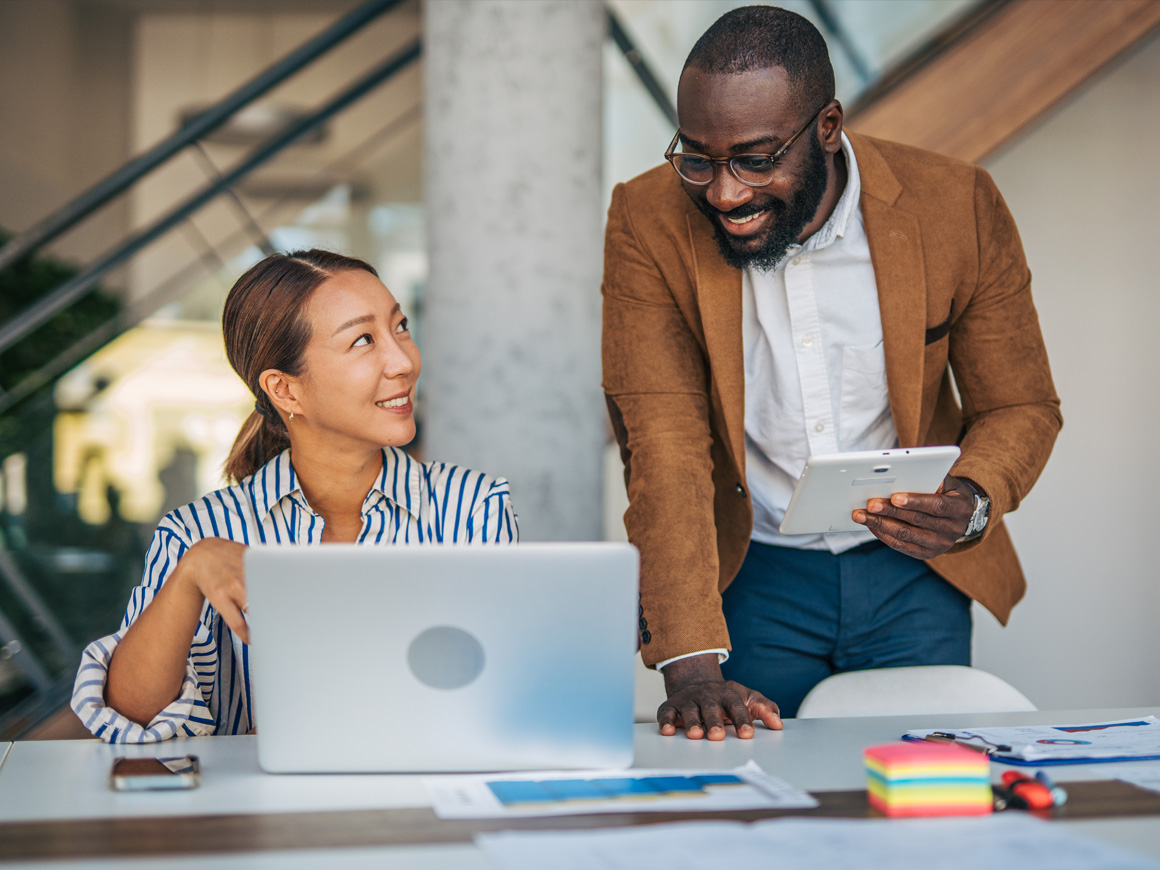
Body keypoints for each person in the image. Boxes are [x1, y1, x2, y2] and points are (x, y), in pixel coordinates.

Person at [602, 6, 1060, 735]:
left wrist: (971, 499)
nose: (723, 192)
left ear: (827, 127)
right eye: (696, 157)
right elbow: (663, 437)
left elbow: (1021, 404)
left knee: (921, 805)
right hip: (752, 574)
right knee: (759, 816)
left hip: (915, 574)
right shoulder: (646, 218)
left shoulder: (956, 204)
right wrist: (688, 659)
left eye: (755, 159)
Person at [72, 250, 518, 742]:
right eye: (364, 340)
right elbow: (126, 721)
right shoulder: (197, 534)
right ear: (285, 390)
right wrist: (189, 575)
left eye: (401, 327)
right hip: (250, 815)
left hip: (420, 808)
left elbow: (500, 698)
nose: (403, 361)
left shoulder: (473, 508)